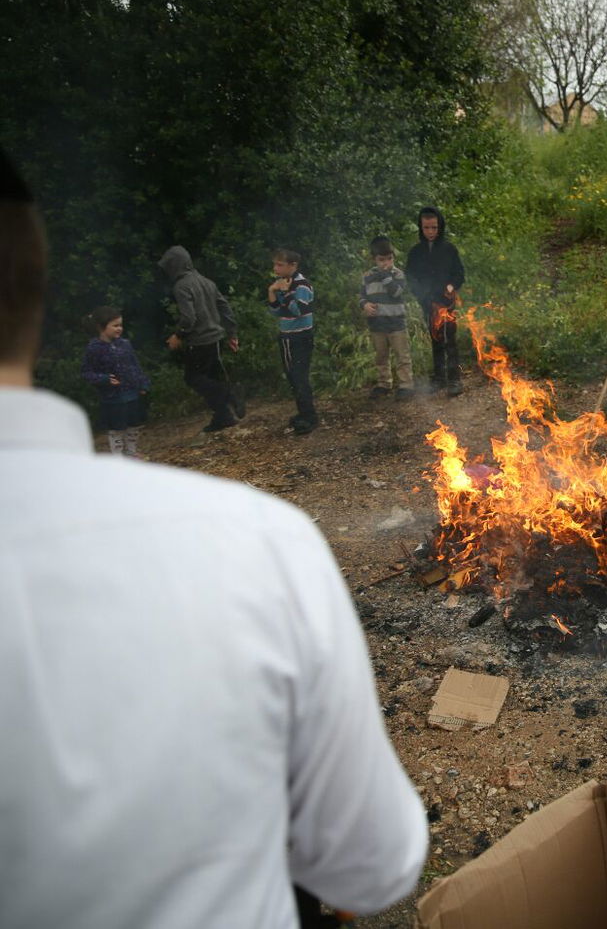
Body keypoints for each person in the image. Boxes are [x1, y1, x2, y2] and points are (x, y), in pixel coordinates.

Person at [0, 151, 427, 927]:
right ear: (31, 293)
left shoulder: (262, 541)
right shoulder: (256, 543)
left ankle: (237, 406)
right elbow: (376, 866)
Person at [159, 244, 243, 432]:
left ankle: (229, 393)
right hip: (215, 339)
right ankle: (223, 416)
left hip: (199, 341)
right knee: (210, 378)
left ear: (174, 265)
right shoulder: (206, 281)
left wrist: (178, 335)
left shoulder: (181, 286)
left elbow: (189, 318)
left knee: (193, 378)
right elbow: (225, 307)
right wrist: (232, 334)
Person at [405, 205, 465, 396]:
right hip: (427, 303)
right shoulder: (415, 252)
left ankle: (454, 379)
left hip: (446, 303)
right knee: (435, 340)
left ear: (440, 227)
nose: (430, 232)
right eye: (426, 228)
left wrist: (451, 285)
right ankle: (439, 378)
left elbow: (459, 273)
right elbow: (410, 277)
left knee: (450, 340)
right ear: (421, 227)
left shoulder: (449, 249)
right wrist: (420, 295)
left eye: (434, 228)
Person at [79, 305, 151, 458]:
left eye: (121, 325)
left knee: (133, 425)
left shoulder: (125, 344)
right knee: (116, 429)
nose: (119, 329)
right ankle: (118, 458)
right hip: (112, 397)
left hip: (132, 393)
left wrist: (143, 383)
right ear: (101, 327)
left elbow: (135, 366)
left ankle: (131, 453)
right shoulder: (94, 348)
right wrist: (104, 379)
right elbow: (86, 372)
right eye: (115, 325)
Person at [268, 247, 318, 435]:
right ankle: (304, 413)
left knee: (298, 377)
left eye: (280, 265)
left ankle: (309, 417)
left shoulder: (301, 285)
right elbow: (276, 311)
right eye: (275, 264)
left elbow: (298, 310)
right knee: (293, 377)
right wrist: (272, 291)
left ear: (293, 265)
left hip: (298, 336)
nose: (276, 268)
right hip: (287, 335)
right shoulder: (284, 283)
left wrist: (286, 291)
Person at [361, 235, 415, 399]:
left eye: (389, 259)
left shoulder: (398, 274)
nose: (386, 263)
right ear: (374, 259)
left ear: (393, 257)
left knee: (402, 355)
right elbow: (362, 296)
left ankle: (406, 385)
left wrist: (385, 276)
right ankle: (384, 384)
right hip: (377, 323)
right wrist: (364, 305)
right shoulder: (367, 276)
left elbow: (396, 292)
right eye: (381, 260)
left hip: (396, 323)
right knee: (381, 356)